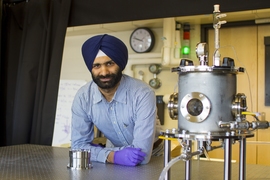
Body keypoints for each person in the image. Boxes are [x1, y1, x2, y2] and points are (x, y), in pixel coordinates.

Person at [71, 34, 163, 166]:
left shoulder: (142, 94)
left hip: (155, 155)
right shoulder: (83, 97)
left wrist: (103, 154)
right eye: (97, 66)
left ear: (120, 64)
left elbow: (142, 154)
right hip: (113, 156)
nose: (104, 72)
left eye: (109, 63)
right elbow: (77, 146)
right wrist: (112, 156)